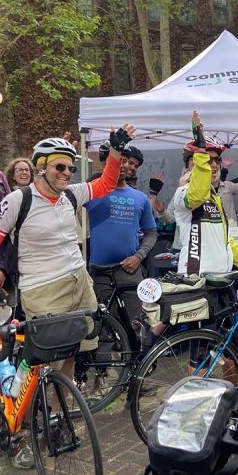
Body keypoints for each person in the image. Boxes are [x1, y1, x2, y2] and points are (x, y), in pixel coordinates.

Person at [0, 125, 135, 391]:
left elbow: (107, 183)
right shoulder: (19, 200)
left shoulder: (71, 195)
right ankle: (27, 414)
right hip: (42, 287)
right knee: (47, 360)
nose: (66, 174)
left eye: (71, 168)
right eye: (60, 167)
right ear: (40, 167)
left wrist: (116, 152)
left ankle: (59, 414)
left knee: (73, 350)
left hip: (78, 281)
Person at [173, 111, 238, 281]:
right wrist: (200, 151)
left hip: (221, 280)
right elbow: (197, 195)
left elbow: (228, 243)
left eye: (216, 160)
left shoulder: (215, 199)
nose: (212, 165)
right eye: (206, 159)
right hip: (196, 280)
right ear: (192, 164)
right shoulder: (183, 193)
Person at [86, 143, 157, 349]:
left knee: (138, 328)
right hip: (100, 273)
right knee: (102, 331)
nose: (124, 165)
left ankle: (137, 373)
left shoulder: (140, 198)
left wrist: (139, 256)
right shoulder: (93, 191)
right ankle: (105, 377)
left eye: (128, 162)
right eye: (120, 159)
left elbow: (151, 233)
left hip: (130, 271)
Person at [218, 155, 238, 223]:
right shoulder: (203, 188)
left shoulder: (227, 185)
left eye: (216, 170)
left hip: (230, 225)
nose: (214, 173)